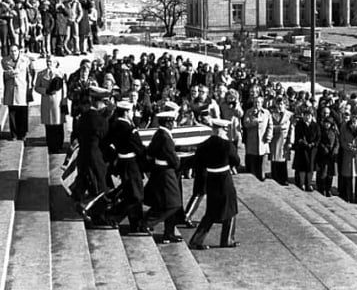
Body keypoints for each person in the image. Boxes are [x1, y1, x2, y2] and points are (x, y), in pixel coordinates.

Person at [85, 101, 147, 232]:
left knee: (130, 193)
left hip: (121, 163)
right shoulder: (129, 129)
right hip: (131, 165)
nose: (132, 114)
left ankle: (136, 224)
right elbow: (139, 149)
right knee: (136, 195)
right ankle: (111, 215)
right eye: (130, 111)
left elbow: (107, 144)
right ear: (125, 113)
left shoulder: (113, 125)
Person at [189, 118, 241, 250]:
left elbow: (197, 162)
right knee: (231, 208)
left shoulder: (204, 144)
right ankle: (227, 239)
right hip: (224, 179)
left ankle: (196, 240)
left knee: (211, 212)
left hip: (211, 178)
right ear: (222, 130)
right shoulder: (227, 145)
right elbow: (236, 160)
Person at [142, 111, 183, 243]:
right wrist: (178, 162)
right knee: (173, 204)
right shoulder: (165, 137)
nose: (174, 124)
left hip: (160, 170)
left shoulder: (159, 134)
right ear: (168, 122)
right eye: (173, 121)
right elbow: (173, 160)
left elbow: (150, 151)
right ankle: (147, 222)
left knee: (166, 202)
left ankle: (169, 232)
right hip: (166, 172)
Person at [34, 55, 65, 153]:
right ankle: (51, 146)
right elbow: (36, 87)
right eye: (47, 61)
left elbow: (65, 89)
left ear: (55, 63)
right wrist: (45, 91)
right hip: (47, 102)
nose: (48, 63)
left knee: (58, 126)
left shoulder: (61, 74)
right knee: (49, 127)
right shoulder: (41, 74)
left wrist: (64, 103)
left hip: (58, 103)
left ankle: (59, 145)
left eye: (51, 62)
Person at [2, 44, 33, 140]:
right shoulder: (4, 61)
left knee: (23, 113)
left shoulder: (26, 60)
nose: (13, 53)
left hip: (22, 89)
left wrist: (30, 87)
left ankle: (22, 133)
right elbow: (1, 74)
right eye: (11, 51)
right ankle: (14, 134)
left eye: (15, 51)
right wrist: (9, 74)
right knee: (12, 113)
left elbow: (31, 74)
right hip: (10, 89)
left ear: (19, 51)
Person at [339, 106, 357, 204]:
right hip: (348, 153)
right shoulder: (344, 126)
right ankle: (348, 197)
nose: (354, 118)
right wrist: (348, 147)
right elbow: (342, 139)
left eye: (356, 116)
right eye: (353, 116)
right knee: (348, 176)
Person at [243, 95, 273, 181]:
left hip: (263, 140)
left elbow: (270, 125)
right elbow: (245, 124)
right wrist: (254, 121)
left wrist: (269, 136)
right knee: (253, 158)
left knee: (262, 159)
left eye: (259, 102)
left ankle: (262, 174)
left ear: (262, 103)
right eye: (256, 102)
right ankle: (253, 175)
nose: (257, 104)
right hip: (252, 140)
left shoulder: (266, 113)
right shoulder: (249, 112)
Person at [293, 108, 320, 191]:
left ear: (312, 116)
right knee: (302, 167)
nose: (307, 117)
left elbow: (318, 137)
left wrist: (314, 144)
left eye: (309, 115)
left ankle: (309, 183)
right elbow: (297, 136)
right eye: (306, 115)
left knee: (311, 168)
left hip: (312, 150)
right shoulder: (299, 125)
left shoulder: (316, 125)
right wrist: (302, 142)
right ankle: (302, 183)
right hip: (302, 149)